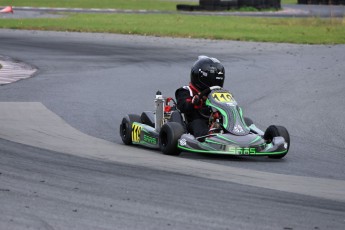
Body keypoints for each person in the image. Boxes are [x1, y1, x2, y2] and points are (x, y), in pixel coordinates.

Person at [175, 56, 225, 138]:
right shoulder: (185, 90)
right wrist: (194, 101)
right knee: (198, 123)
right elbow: (183, 105)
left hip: (214, 121)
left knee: (227, 120)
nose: (214, 82)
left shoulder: (218, 94)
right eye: (211, 79)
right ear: (200, 76)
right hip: (193, 123)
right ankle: (208, 137)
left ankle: (239, 133)